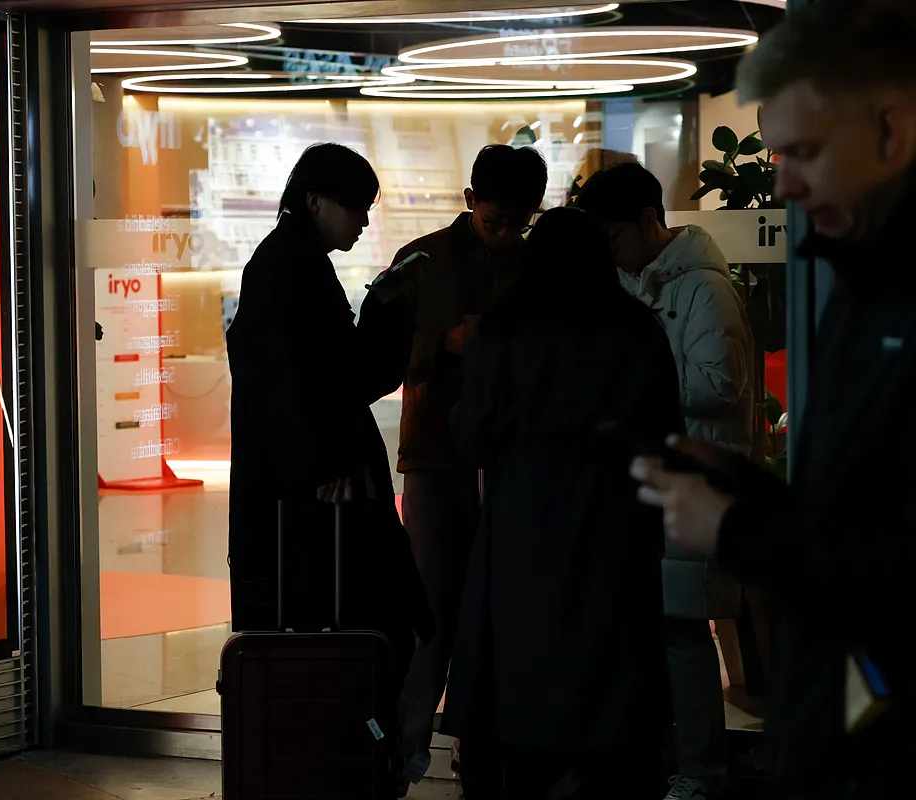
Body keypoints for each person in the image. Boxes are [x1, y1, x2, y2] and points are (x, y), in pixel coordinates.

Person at [631, 1, 916, 797]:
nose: (782, 183)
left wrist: (739, 526)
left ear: (890, 132)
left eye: (806, 152)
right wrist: (750, 488)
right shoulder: (861, 275)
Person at [442, 207, 682, 798]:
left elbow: (469, 434)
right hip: (616, 517)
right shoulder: (637, 327)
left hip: (524, 519)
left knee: (523, 673)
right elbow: (666, 434)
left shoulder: (504, 327)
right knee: (611, 671)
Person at [356, 143, 548, 791]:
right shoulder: (425, 259)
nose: (503, 234)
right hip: (438, 454)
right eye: (495, 220)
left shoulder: (536, 265)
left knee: (502, 603)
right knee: (432, 603)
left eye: (517, 224)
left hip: (514, 458)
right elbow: (378, 353)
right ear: (470, 202)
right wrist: (444, 344)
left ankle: (482, 744)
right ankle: (403, 747)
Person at [577, 161, 754, 800]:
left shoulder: (704, 289)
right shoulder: (632, 283)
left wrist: (633, 387)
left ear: (651, 222)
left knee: (682, 633)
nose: (610, 251)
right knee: (656, 631)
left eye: (615, 236)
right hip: (650, 480)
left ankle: (702, 771)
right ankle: (672, 761)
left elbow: (718, 385)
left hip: (695, 477)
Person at [225, 142, 433, 678]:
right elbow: (282, 381)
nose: (363, 221)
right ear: (316, 201)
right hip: (308, 493)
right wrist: (322, 465)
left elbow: (333, 375)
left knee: (356, 616)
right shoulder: (285, 266)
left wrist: (383, 308)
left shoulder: (296, 262)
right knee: (337, 616)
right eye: (356, 207)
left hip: (312, 480)